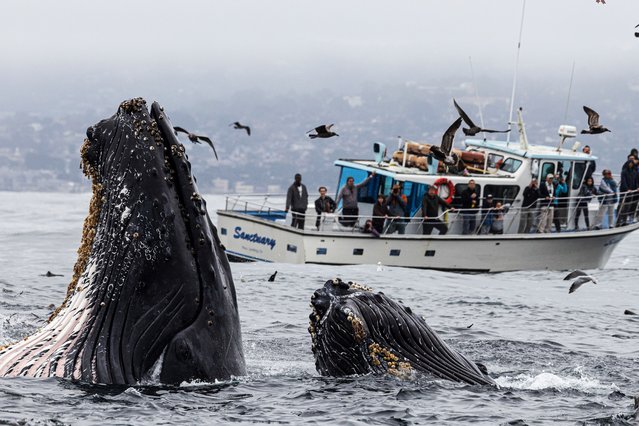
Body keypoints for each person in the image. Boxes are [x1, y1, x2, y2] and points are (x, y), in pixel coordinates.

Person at [617, 157, 639, 226]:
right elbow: (623, 181)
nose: (630, 164)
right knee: (622, 206)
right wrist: (627, 189)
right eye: (629, 163)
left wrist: (637, 187)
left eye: (632, 163)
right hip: (625, 191)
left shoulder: (634, 172)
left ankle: (624, 220)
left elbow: (636, 181)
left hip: (632, 192)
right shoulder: (624, 172)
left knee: (628, 206)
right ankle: (618, 221)